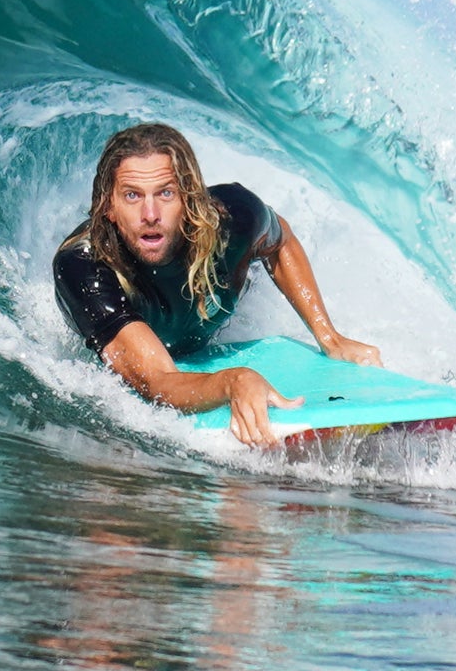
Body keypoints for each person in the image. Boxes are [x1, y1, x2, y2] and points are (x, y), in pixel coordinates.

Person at [53, 122, 381, 446]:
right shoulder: (85, 270)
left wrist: (329, 336)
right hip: (136, 339)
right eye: (132, 196)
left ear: (189, 199)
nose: (150, 213)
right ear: (109, 207)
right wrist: (231, 382)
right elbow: (159, 381)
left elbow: (281, 241)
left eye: (166, 193)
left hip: (206, 296)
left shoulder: (235, 218)